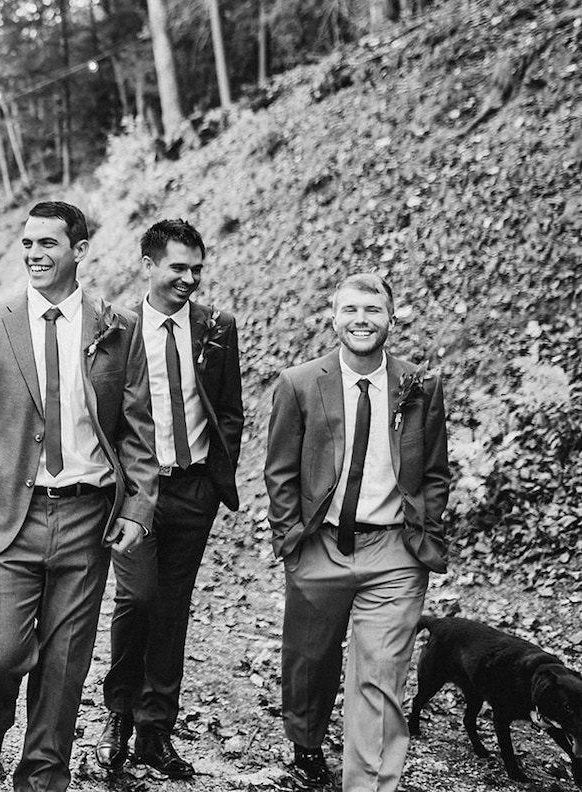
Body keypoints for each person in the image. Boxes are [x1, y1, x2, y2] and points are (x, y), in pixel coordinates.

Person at [0, 200, 156, 792]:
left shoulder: (118, 326)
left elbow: (137, 427)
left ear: (78, 251)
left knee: (64, 663)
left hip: (88, 514)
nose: (34, 254)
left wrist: (137, 505)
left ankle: (42, 774)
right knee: (2, 651)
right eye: (27, 244)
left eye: (47, 244)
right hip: (7, 511)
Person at [264, 272, 450, 791]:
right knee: (309, 662)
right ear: (334, 317)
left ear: (391, 318)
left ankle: (368, 784)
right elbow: (279, 470)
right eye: (351, 310)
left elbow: (435, 473)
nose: (361, 320)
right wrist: (291, 543)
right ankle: (305, 740)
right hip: (320, 545)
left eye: (372, 311)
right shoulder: (299, 383)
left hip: (394, 552)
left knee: (379, 679)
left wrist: (426, 539)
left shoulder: (420, 386)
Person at [95, 219, 244, 778]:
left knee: (173, 606)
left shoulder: (217, 327)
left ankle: (156, 730)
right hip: (135, 490)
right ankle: (118, 714)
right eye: (178, 267)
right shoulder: (118, 327)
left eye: (197, 269)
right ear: (148, 265)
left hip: (194, 488)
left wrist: (212, 480)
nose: (189, 279)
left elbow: (228, 406)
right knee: (138, 599)